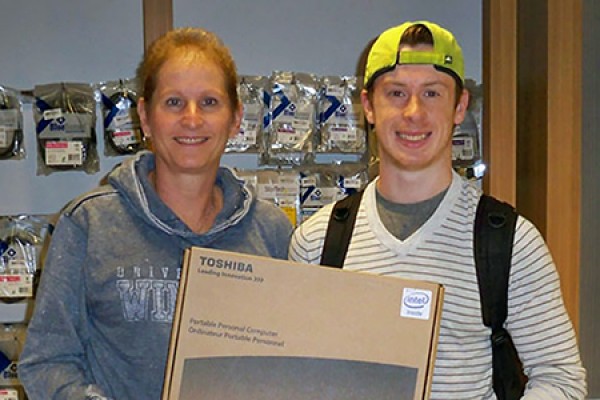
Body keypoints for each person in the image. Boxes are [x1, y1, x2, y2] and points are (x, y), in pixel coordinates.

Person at [289, 21, 587, 399]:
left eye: (432, 93)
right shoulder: (317, 243)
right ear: (368, 106)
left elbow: (561, 379)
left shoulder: (510, 243)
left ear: (459, 106)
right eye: (396, 93)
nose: (414, 112)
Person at [19, 27, 293, 400]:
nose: (192, 119)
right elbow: (46, 361)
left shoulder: (271, 231)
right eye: (174, 102)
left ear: (234, 118)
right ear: (145, 117)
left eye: (210, 102)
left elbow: (291, 364)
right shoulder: (90, 224)